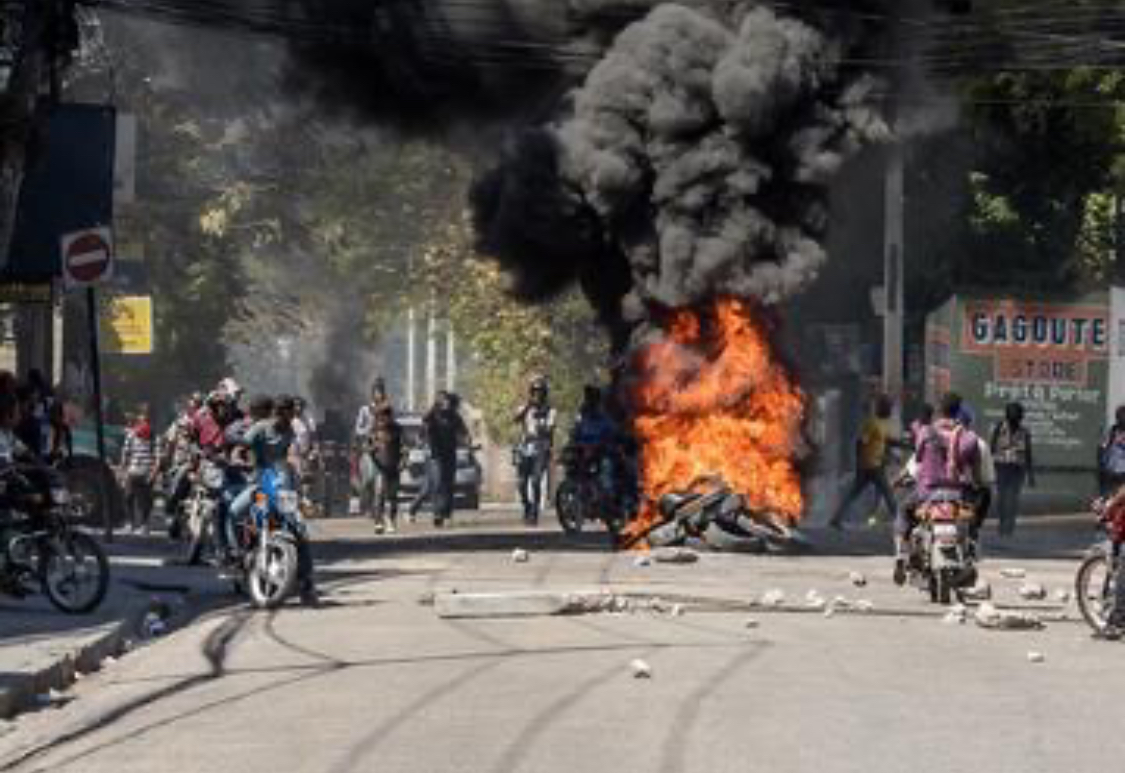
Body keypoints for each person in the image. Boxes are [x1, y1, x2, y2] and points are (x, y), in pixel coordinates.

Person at [229, 396, 318, 604]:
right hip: (260, 484)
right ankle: (237, 555)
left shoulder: (290, 431)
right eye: (281, 412)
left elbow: (293, 455)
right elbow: (240, 448)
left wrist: (302, 471)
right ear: (275, 412)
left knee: (299, 530)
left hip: (283, 487)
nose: (284, 417)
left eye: (288, 413)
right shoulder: (260, 428)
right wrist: (237, 459)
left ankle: (307, 583)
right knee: (234, 511)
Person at [898, 392, 981, 584]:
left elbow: (919, 459)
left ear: (939, 410)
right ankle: (969, 558)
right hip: (956, 494)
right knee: (971, 522)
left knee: (904, 511)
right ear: (959, 411)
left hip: (927, 493)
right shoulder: (969, 437)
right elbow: (976, 473)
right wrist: (976, 485)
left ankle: (903, 555)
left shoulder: (926, 432)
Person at [828, 394, 901, 531]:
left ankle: (836, 518)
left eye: (890, 407)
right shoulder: (872, 423)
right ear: (882, 408)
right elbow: (860, 442)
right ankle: (899, 521)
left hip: (874, 465)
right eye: (888, 407)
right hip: (871, 466)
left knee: (855, 493)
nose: (890, 411)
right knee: (887, 492)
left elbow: (887, 441)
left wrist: (906, 446)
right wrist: (859, 463)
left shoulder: (882, 424)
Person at [514, 376, 556, 525]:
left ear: (545, 393)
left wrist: (541, 420)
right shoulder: (525, 408)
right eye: (535, 391)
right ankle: (527, 505)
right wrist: (528, 407)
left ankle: (534, 512)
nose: (537, 395)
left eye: (540, 392)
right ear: (531, 392)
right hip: (525, 446)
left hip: (541, 447)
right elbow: (516, 419)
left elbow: (549, 429)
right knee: (521, 482)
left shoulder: (550, 410)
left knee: (536, 481)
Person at [423, 391, 469, 528]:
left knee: (449, 484)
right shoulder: (433, 414)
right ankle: (437, 513)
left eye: (447, 400)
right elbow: (425, 420)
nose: (445, 403)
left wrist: (466, 439)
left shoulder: (454, 416)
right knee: (438, 483)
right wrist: (433, 407)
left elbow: (463, 431)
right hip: (436, 454)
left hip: (450, 454)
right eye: (442, 400)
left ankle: (447, 513)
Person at [990, 402, 1035, 537]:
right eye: (1012, 417)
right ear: (1007, 416)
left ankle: (1009, 526)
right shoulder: (999, 428)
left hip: (1017, 469)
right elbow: (992, 448)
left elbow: (1028, 453)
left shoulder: (1025, 432)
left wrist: (1031, 475)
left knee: (1013, 498)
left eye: (1018, 417)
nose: (1015, 420)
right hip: (1001, 467)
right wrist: (990, 469)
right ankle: (1002, 523)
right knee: (1002, 498)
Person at [120, 407, 157, 534]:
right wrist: (123, 471)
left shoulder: (153, 436)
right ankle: (130, 522)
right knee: (128, 497)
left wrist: (153, 473)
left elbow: (158, 456)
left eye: (146, 418)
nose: (144, 420)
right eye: (142, 417)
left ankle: (144, 524)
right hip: (133, 471)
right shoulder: (131, 434)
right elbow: (125, 453)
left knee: (145, 500)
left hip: (146, 472)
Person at [368, 405, 403, 533]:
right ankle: (379, 522)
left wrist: (403, 461)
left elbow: (403, 447)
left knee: (392, 495)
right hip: (379, 466)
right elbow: (368, 447)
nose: (384, 419)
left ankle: (391, 521)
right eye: (381, 416)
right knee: (379, 495)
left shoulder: (397, 429)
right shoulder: (374, 430)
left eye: (387, 415)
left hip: (393, 465)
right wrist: (373, 449)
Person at [1100, 406, 1125, 496]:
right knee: (1110, 496)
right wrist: (1103, 465)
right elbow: (1103, 447)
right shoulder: (1112, 431)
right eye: (1119, 417)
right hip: (1111, 471)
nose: (1122, 419)